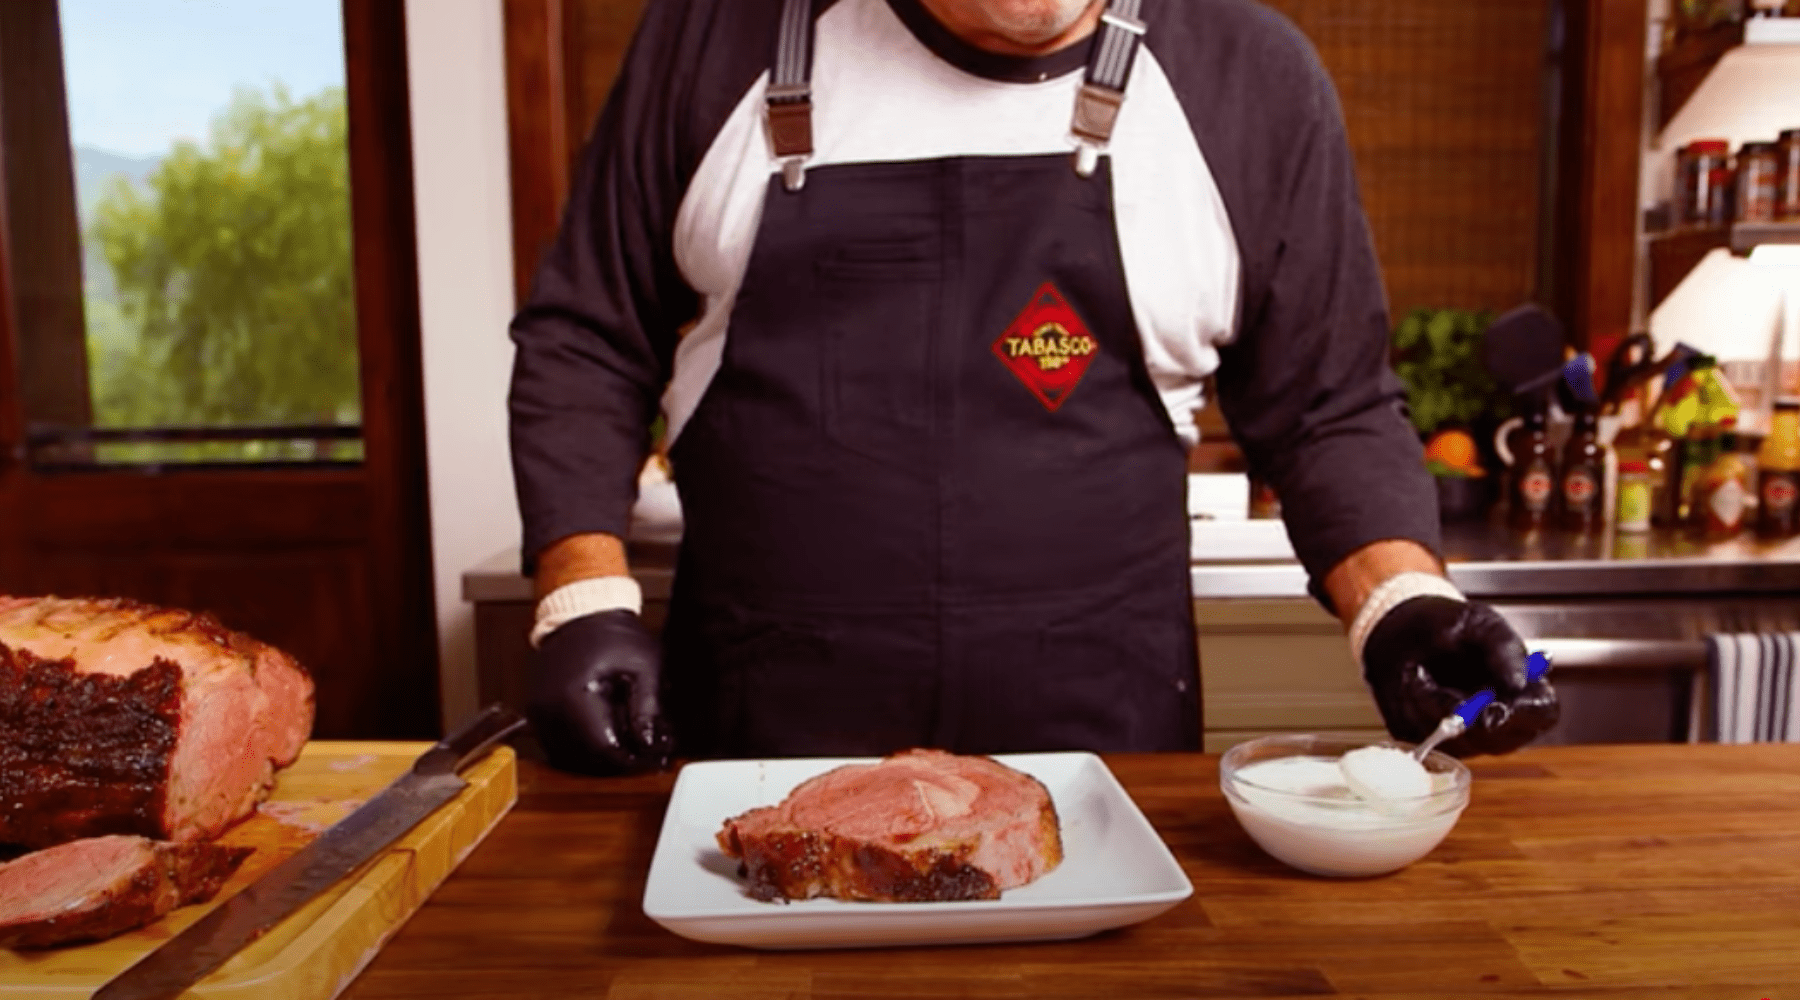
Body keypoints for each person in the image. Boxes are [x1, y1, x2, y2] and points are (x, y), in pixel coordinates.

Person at [508, 0, 1559, 773]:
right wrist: (582, 594)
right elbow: (586, 340)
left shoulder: (1251, 79)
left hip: (1109, 763)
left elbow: (1327, 406)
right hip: (759, 752)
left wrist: (1401, 600)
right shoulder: (714, 40)